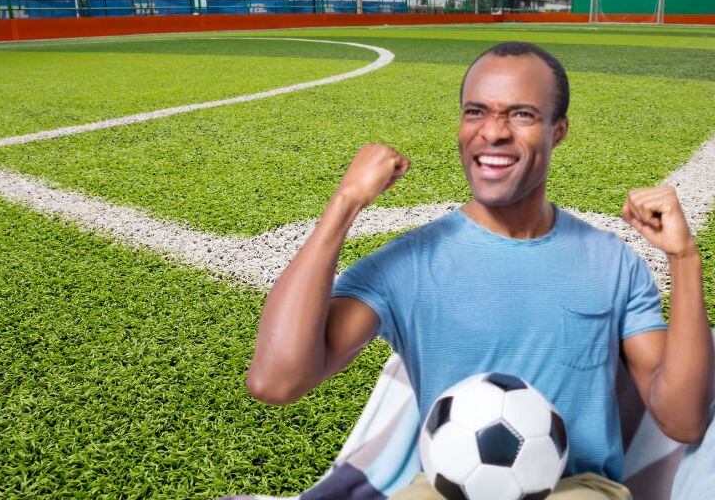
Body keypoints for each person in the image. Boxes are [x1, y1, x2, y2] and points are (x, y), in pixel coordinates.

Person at [246, 42, 714, 499]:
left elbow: (684, 421)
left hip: (578, 489)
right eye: (476, 112)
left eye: (521, 114)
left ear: (558, 131)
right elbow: (275, 381)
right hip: (442, 490)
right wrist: (345, 203)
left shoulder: (613, 263)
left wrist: (684, 258)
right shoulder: (407, 265)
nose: (493, 132)